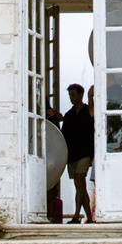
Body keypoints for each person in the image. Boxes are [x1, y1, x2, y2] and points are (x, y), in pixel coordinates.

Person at [44, 83, 97, 223]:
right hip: (72, 154)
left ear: (81, 94)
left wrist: (91, 97)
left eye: (73, 94)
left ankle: (76, 215)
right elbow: (63, 136)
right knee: (80, 186)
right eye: (70, 95)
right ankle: (89, 218)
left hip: (85, 152)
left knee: (79, 180)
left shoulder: (87, 111)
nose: (71, 98)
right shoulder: (68, 115)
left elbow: (93, 114)